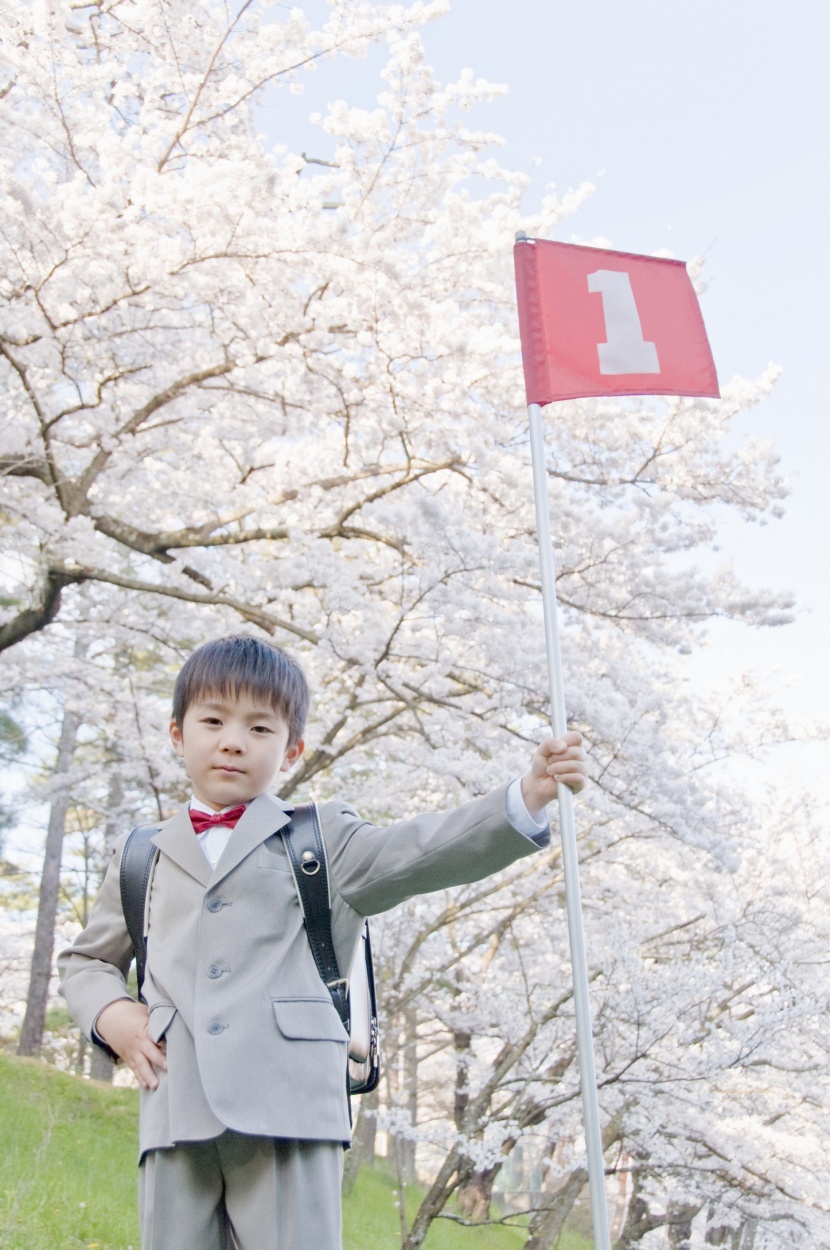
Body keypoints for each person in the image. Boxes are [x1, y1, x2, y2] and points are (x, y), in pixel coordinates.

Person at [58, 634, 587, 1250]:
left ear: (291, 751)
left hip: (292, 1111)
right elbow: (88, 960)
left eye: (260, 728)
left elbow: (418, 852)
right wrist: (112, 1013)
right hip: (176, 1106)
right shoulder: (139, 855)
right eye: (212, 720)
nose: (233, 741)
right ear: (178, 734)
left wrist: (525, 800)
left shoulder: (319, 840)